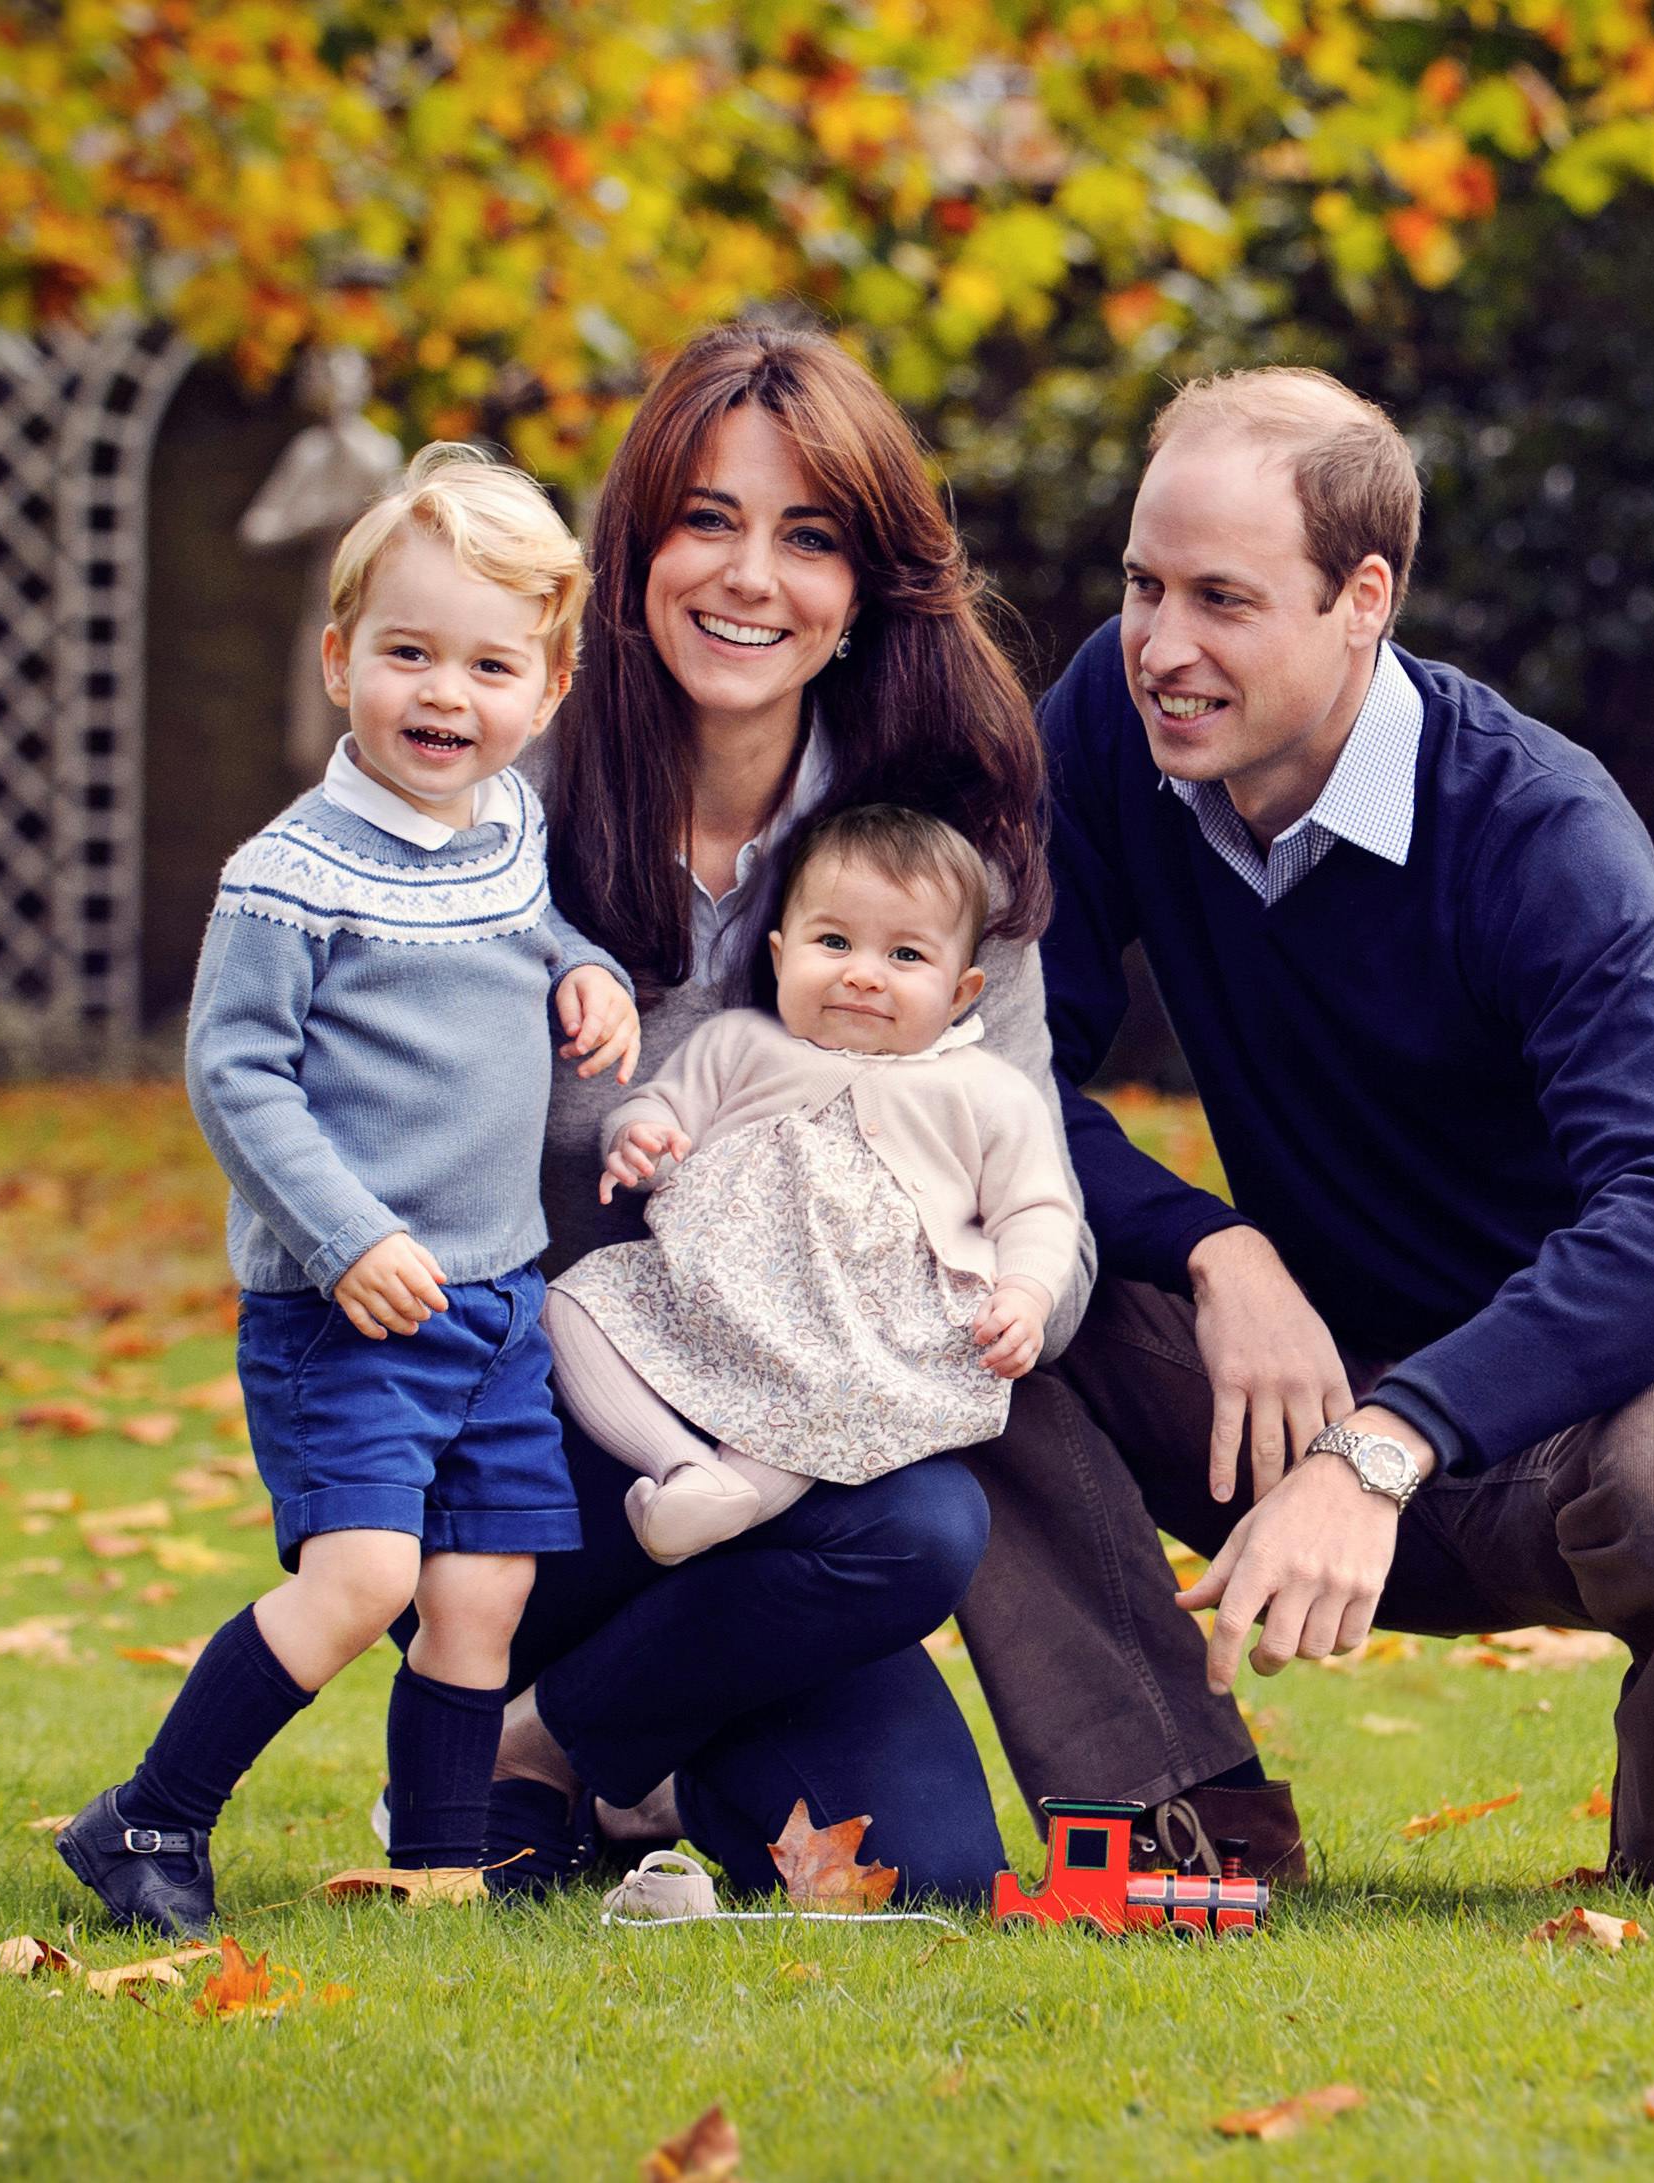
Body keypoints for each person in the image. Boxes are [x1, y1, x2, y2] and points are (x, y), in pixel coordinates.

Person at [958, 368, 1654, 1895]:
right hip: (1284, 1386)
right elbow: (988, 1067)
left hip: (1571, 1434)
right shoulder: (1112, 717)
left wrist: (1386, 1440)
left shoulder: (1536, 826)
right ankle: (1181, 1810)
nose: (1162, 646)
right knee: (950, 1265)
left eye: (1222, 599)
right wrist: (1212, 1245)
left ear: (1360, 597)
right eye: (1141, 585)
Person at [463, 323, 1093, 1904]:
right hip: (538, 1444)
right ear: (633, 549)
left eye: (805, 537)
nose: (749, 577)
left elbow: (1036, 1185)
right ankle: (568, 1719)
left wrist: (992, 1299)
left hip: (805, 1476)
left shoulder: (937, 854)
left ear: (865, 585)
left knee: (927, 1846)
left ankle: (554, 1745)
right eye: (706, 520)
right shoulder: (503, 810)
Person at [60, 445, 639, 1939]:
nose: (445, 694)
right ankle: (146, 1816)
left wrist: (583, 964)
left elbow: (531, 926)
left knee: (481, 1594)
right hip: (351, 1306)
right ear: (339, 661)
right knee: (364, 1571)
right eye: (407, 653)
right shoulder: (287, 873)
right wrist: (347, 1235)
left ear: (549, 685)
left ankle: (439, 1865)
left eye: (488, 663)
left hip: (498, 1295)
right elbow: (234, 1074)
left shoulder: (505, 827)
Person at [550, 805, 1081, 1563]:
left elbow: (1036, 1207)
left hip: (861, 1327)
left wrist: (1025, 1292)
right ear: (778, 953)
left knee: (830, 1395)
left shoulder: (983, 1091)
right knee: (570, 1306)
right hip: (706, 1291)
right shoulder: (739, 1044)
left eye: (904, 956)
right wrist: (640, 1140)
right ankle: (683, 1467)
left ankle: (728, 1494)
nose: (861, 972)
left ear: (962, 991)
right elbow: (660, 1109)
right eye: (832, 942)